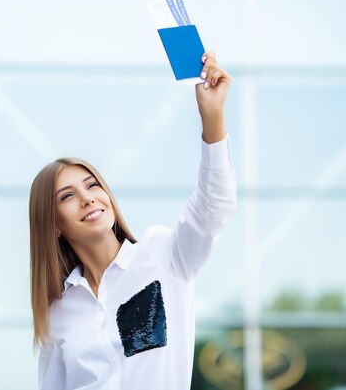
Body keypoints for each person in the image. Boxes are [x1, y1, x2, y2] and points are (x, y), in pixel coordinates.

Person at [28, 51, 237, 390]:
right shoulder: (58, 316)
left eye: (93, 185)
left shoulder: (163, 255)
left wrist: (212, 116)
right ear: (53, 224)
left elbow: (215, 204)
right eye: (67, 196)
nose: (87, 198)